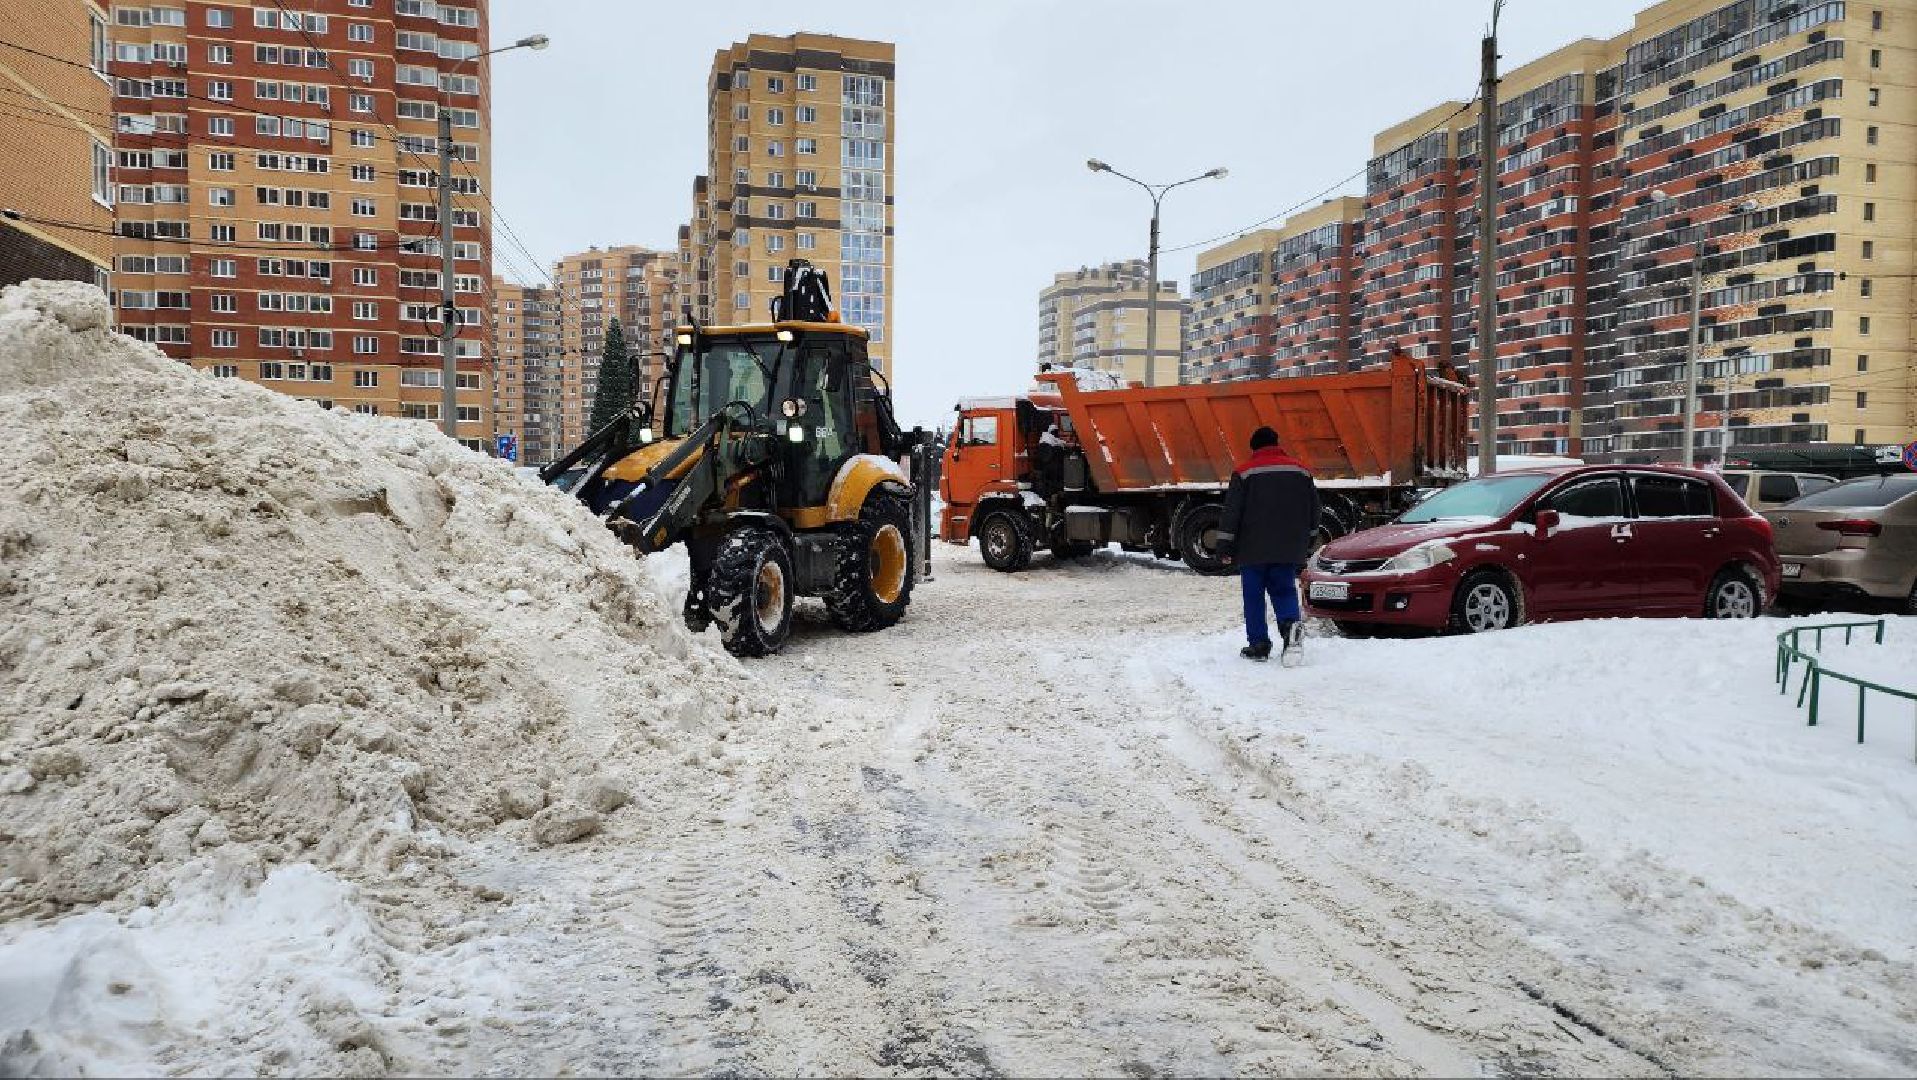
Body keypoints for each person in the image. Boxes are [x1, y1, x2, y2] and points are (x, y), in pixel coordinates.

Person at [1217, 427, 1320, 665]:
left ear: (1254, 447)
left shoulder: (1244, 472)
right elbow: (1315, 509)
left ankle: (1259, 645)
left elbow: (1232, 513)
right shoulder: (1301, 471)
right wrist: (1309, 539)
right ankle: (1290, 632)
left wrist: (1225, 546)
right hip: (1287, 548)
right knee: (1284, 591)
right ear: (1277, 443)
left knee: (1253, 597)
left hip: (1251, 549)